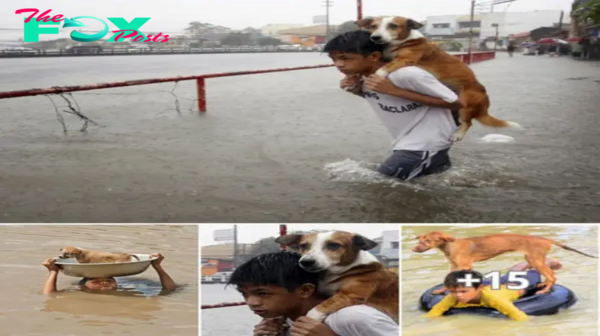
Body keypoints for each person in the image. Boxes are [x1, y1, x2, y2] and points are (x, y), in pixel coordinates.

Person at [324, 30, 464, 181]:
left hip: (424, 144)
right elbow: (388, 100)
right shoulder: (363, 78)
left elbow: (456, 103)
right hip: (411, 143)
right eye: (334, 59)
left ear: (374, 56)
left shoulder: (406, 74)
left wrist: (394, 90)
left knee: (381, 186)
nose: (338, 64)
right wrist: (358, 91)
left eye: (346, 58)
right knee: (433, 187)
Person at [227, 251, 398, 336]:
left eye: (262, 293)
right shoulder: (283, 322)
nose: (252, 302)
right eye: (245, 294)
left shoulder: (354, 317)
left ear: (305, 290)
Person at [425, 258, 562, 321]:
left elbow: (520, 317)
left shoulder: (494, 299)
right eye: (454, 291)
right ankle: (524, 263)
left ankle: (546, 261)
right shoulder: (453, 296)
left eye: (463, 292)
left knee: (532, 273)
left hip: (518, 285)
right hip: (495, 283)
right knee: (508, 275)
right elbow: (434, 313)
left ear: (479, 288)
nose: (458, 296)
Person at [42, 252, 178, 294]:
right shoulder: (77, 292)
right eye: (96, 281)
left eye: (110, 280)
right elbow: (50, 295)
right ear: (83, 286)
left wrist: (157, 266)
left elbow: (170, 290)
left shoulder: (133, 289)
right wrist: (53, 271)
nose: (105, 283)